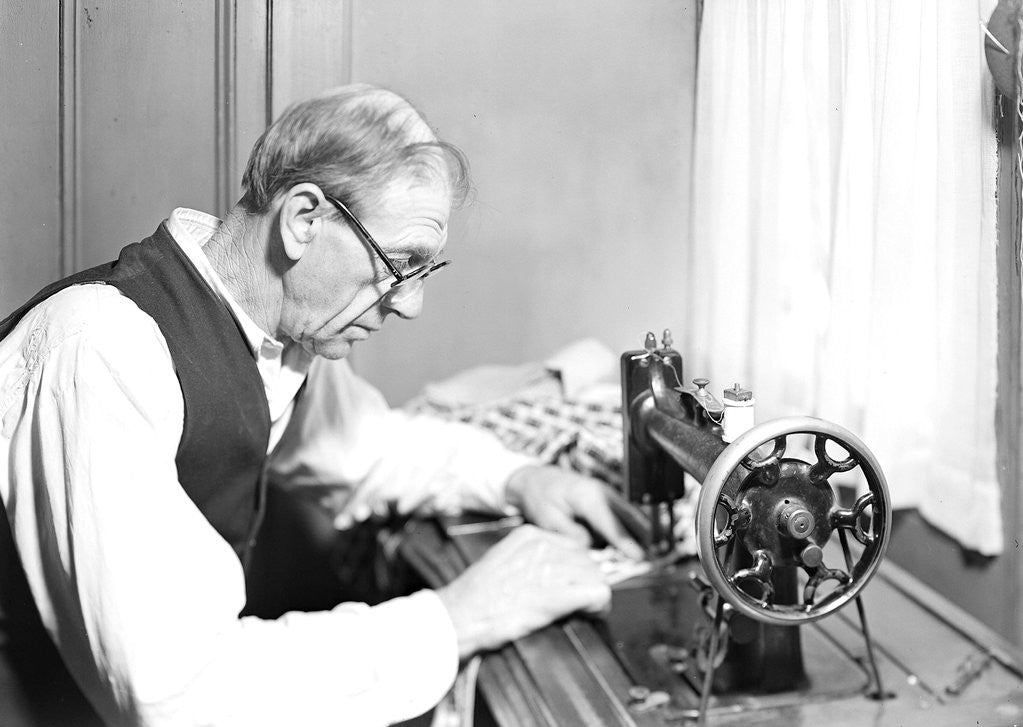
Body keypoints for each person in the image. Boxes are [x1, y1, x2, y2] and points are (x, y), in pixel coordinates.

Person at [0, 84, 641, 726]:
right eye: (401, 263)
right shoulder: (101, 348)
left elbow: (367, 448)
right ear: (303, 219)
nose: (410, 303)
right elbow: (171, 693)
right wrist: (459, 618)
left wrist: (519, 478)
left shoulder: (279, 333)